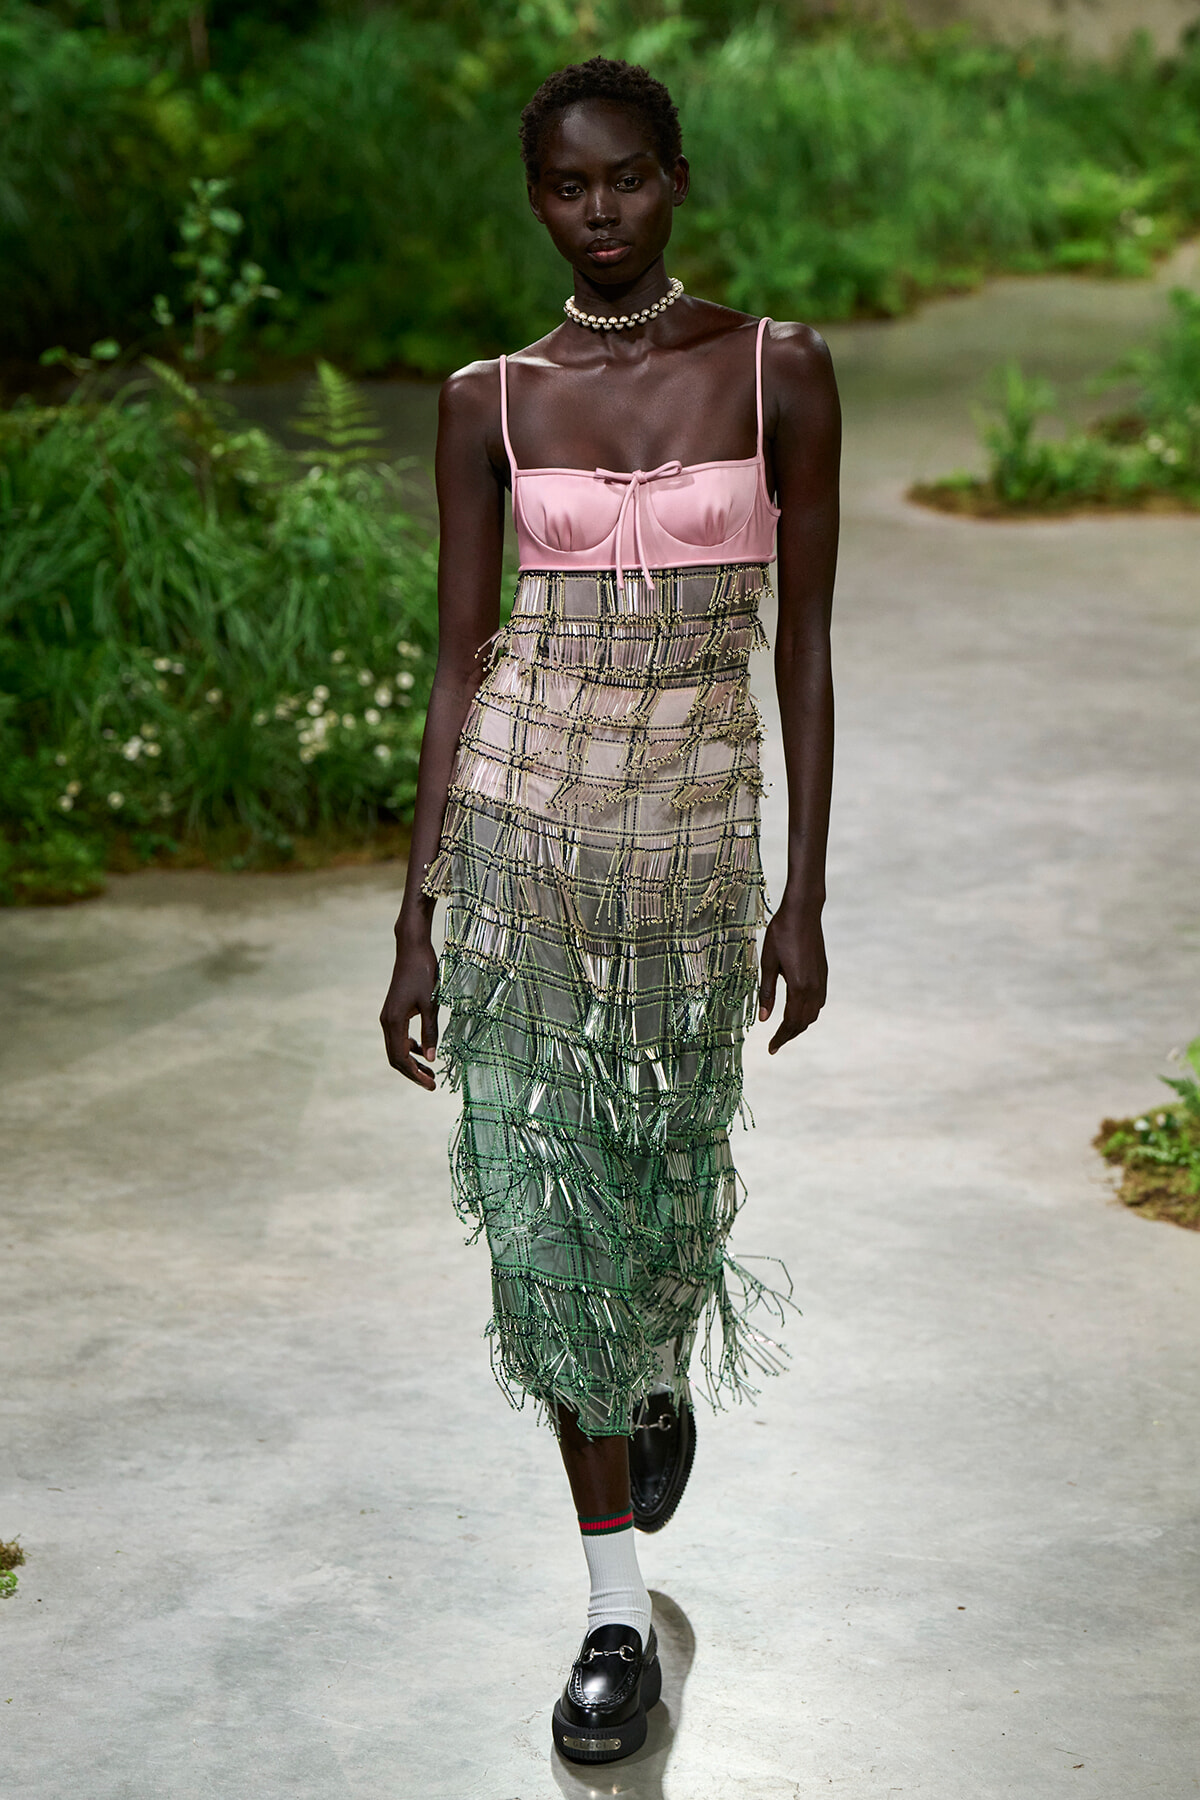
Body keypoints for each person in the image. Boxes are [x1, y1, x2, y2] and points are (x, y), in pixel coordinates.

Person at [380, 54, 839, 1766]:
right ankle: (605, 1612)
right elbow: (452, 663)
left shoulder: (777, 370)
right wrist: (421, 918)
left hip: (697, 834)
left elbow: (803, 647)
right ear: (535, 203)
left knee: (660, 1175)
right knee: (545, 1211)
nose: (598, 215)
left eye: (626, 180)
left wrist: (807, 891)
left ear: (677, 178)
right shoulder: (486, 398)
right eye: (566, 189)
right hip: (521, 835)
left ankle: (651, 1375)